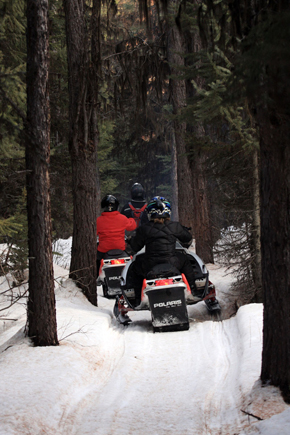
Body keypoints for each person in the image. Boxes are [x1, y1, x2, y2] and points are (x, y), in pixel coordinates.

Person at [127, 196, 203, 304]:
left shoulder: (144, 229)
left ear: (150, 212)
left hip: (150, 265)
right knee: (185, 260)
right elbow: (187, 238)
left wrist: (131, 241)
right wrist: (183, 230)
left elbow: (135, 247)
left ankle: (138, 299)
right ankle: (193, 290)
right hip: (172, 263)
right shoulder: (175, 226)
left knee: (135, 266)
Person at [97, 194, 136, 275]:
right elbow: (132, 226)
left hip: (104, 250)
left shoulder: (98, 221)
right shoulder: (122, 218)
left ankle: (97, 275)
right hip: (120, 248)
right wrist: (131, 218)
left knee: (96, 260)